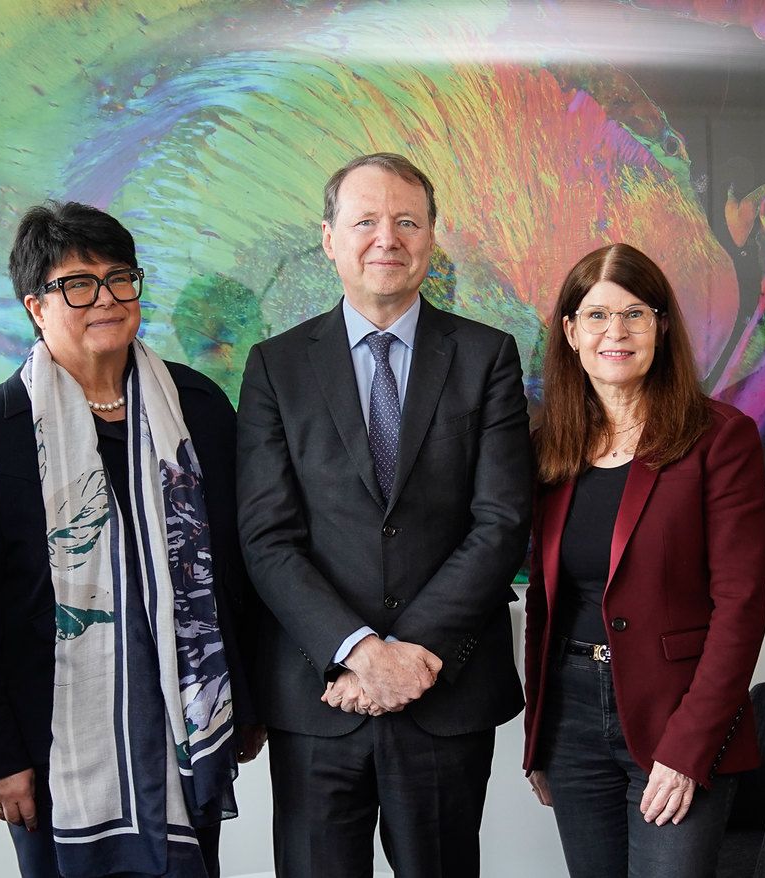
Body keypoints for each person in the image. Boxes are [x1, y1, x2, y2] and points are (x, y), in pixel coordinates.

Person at [235, 152, 532, 878]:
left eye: (407, 221)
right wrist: (362, 652)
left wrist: (416, 654)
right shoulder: (276, 366)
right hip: (320, 692)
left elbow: (500, 520)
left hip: (446, 690)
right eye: (365, 220)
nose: (386, 238)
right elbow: (267, 535)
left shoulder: (486, 356)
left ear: (432, 236)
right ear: (330, 238)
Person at [0, 202, 262, 878]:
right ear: (36, 305)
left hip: (186, 723)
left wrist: (246, 700)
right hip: (50, 744)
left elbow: (235, 567)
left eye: (121, 278)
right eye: (79, 285)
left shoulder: (197, 408)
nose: (107, 300)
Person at [519, 243, 765, 878]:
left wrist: (689, 748)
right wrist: (540, 736)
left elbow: (740, 607)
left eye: (634, 312)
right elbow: (548, 601)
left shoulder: (721, 438)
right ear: (571, 332)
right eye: (597, 315)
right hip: (570, 717)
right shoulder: (548, 448)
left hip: (679, 715)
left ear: (661, 325)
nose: (617, 332)